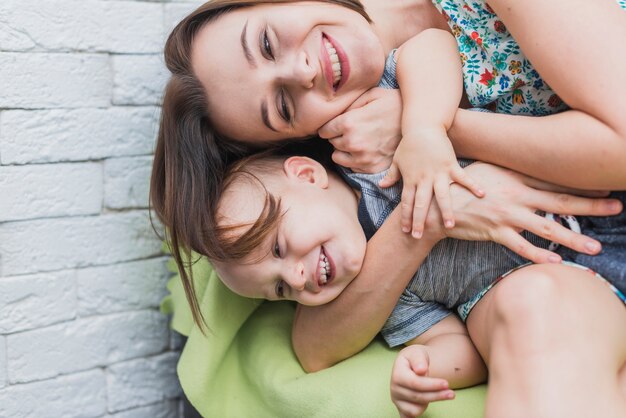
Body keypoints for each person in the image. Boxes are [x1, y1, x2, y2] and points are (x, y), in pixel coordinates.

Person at [205, 151, 626, 417]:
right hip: (562, 295)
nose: (297, 279)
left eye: (278, 248)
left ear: (307, 174)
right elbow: (467, 351)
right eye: (281, 290)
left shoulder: (375, 158)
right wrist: (424, 368)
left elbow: (427, 50)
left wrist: (424, 121)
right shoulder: (386, 298)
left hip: (602, 215)